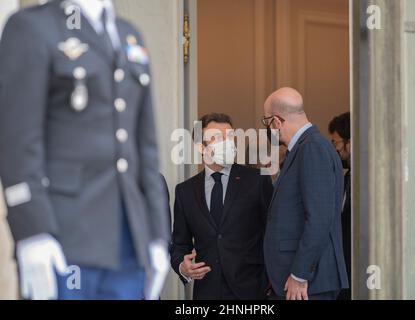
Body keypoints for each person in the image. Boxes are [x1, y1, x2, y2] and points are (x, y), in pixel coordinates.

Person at [0, 0, 170, 300]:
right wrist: (32, 230)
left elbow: (146, 149)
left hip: (129, 239)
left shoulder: (129, 35)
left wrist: (157, 235)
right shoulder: (32, 28)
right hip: (64, 234)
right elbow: (18, 141)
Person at [170, 113, 273, 300]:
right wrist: (182, 266)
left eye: (231, 137)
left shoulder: (257, 180)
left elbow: (273, 233)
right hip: (207, 292)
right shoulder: (185, 191)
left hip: (252, 291)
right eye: (218, 138)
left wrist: (268, 285)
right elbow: (180, 244)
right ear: (201, 147)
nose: (228, 143)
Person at [262, 88, 348, 300]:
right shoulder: (303, 148)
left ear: (277, 121)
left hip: (308, 283)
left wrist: (300, 273)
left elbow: (319, 219)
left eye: (267, 122)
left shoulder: (312, 148)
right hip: (302, 281)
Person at [329, 112, 351, 300]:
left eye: (336, 142)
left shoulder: (367, 177)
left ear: (349, 142)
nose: (335, 149)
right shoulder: (346, 177)